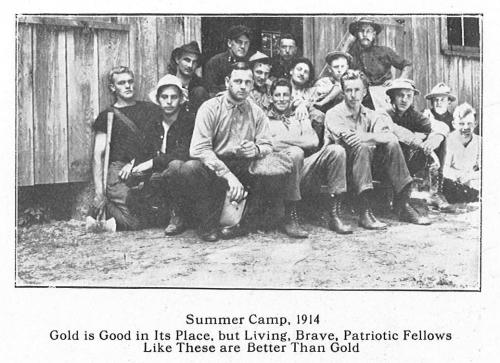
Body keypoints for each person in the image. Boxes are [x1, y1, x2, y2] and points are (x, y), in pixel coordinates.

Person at [183, 62, 280, 242]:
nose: (243, 86)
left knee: (271, 165)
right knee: (190, 168)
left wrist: (256, 149)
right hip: (216, 166)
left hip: (244, 165)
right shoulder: (210, 108)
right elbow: (198, 149)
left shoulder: (256, 112)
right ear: (228, 81)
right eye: (238, 81)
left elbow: (268, 145)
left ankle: (243, 224)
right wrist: (228, 176)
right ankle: (207, 224)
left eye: (247, 82)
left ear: (252, 85)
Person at [325, 70, 430, 228]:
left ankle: (402, 204)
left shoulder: (370, 114)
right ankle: (364, 211)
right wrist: (371, 137)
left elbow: (388, 136)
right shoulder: (334, 114)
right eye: (348, 90)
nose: (353, 95)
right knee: (362, 147)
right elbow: (350, 140)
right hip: (340, 167)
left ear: (365, 92)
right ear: (343, 92)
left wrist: (364, 136)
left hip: (365, 166)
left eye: (357, 90)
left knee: (392, 144)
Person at [268, 78, 352, 236]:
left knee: (336, 150)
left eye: (285, 95)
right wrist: (297, 143)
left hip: (303, 168)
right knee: (296, 152)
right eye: (277, 95)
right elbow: (268, 145)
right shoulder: (265, 119)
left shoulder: (299, 116)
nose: (281, 99)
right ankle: (290, 217)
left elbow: (313, 142)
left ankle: (334, 215)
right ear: (271, 98)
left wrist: (282, 140)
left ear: (291, 97)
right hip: (278, 173)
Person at [91, 66, 165, 230]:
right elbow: (98, 155)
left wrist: (136, 162)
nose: (128, 86)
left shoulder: (150, 110)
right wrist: (98, 192)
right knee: (136, 223)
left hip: (146, 167)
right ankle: (108, 205)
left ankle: (115, 217)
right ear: (113, 87)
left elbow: (157, 141)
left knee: (159, 216)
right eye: (122, 83)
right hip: (119, 171)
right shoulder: (107, 115)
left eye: (130, 82)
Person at [124, 74, 196, 235]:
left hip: (181, 175)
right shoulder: (153, 122)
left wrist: (152, 163)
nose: (169, 101)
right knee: (133, 198)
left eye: (173, 97)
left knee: (175, 166)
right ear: (158, 99)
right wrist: (134, 164)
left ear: (181, 99)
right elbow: (143, 149)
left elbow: (184, 152)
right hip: (158, 176)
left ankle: (178, 216)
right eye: (164, 97)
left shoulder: (188, 121)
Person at [385, 79, 452, 212]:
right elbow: (393, 129)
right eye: (400, 95)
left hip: (406, 163)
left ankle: (435, 193)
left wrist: (435, 139)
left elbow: (439, 126)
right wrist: (418, 140)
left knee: (440, 139)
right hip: (384, 164)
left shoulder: (413, 115)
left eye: (409, 96)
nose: (404, 100)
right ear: (392, 97)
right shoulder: (384, 114)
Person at [345, 17, 412, 110]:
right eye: (362, 31)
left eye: (369, 31)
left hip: (383, 96)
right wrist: (348, 42)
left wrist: (398, 81)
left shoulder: (384, 51)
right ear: (357, 34)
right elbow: (340, 64)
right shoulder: (352, 56)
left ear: (374, 34)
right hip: (362, 98)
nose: (365, 34)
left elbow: (407, 65)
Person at [442, 103, 481, 203]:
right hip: (454, 181)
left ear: (475, 124)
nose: (465, 127)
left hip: (471, 179)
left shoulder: (480, 142)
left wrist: (470, 176)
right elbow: (445, 168)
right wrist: (459, 177)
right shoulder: (449, 141)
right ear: (454, 124)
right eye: (461, 124)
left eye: (469, 123)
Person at [288, 57, 325, 150]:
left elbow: (338, 87)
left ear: (308, 77)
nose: (301, 73)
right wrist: (297, 104)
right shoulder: (282, 88)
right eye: (299, 69)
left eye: (306, 72)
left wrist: (304, 104)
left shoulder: (312, 92)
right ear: (291, 71)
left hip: (308, 137)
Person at [204, 25, 252, 97]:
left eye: (246, 43)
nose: (243, 46)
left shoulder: (250, 63)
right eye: (239, 42)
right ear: (229, 43)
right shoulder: (216, 62)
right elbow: (211, 92)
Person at [166, 41, 209, 114]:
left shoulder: (201, 86)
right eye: (187, 60)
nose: (190, 65)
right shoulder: (168, 82)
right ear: (177, 59)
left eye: (194, 62)